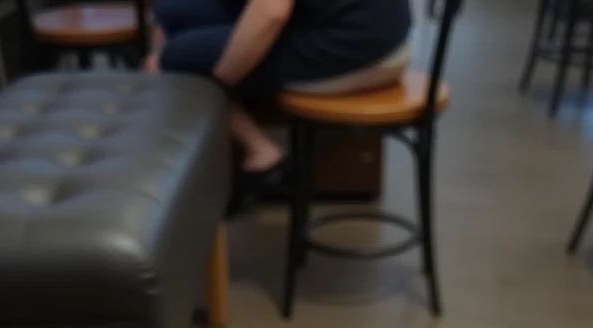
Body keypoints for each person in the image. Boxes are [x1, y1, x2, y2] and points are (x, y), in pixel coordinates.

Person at [145, 0, 412, 201]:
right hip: (332, 16)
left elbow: (271, 12)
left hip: (358, 43)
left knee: (177, 63)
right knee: (170, 12)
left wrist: (218, 81)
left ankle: (262, 154)